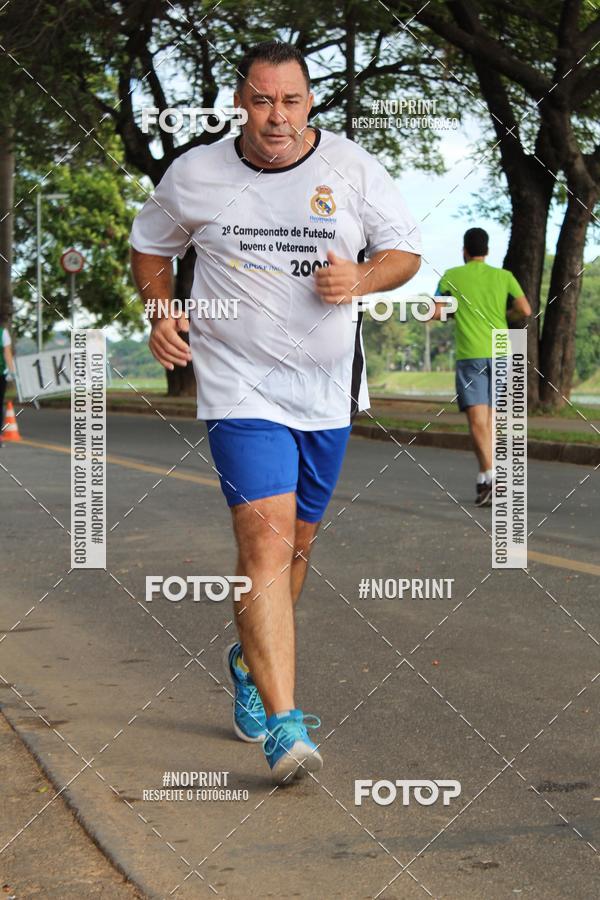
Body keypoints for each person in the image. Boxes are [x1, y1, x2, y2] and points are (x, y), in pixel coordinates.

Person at [130, 40, 421, 783]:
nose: (276, 117)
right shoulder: (197, 173)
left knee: (296, 548)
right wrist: (161, 309)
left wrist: (361, 276)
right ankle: (286, 725)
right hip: (239, 387)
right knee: (264, 547)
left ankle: (246, 661)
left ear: (309, 104)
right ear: (241, 103)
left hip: (326, 392)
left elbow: (406, 253)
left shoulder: (351, 169)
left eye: (290, 101)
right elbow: (149, 245)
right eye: (262, 100)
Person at [434, 228, 531, 507]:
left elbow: (437, 310)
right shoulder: (504, 277)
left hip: (471, 354)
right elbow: (524, 310)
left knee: (478, 422)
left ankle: (492, 478)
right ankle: (484, 478)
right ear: (487, 251)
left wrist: (453, 312)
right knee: (491, 421)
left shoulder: (452, 275)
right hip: (502, 351)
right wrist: (504, 315)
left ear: (464, 250)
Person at [0, 324, 16, 448]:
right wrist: (12, 371)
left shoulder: (3, 333)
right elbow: (7, 352)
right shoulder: (3, 333)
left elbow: (7, 353)